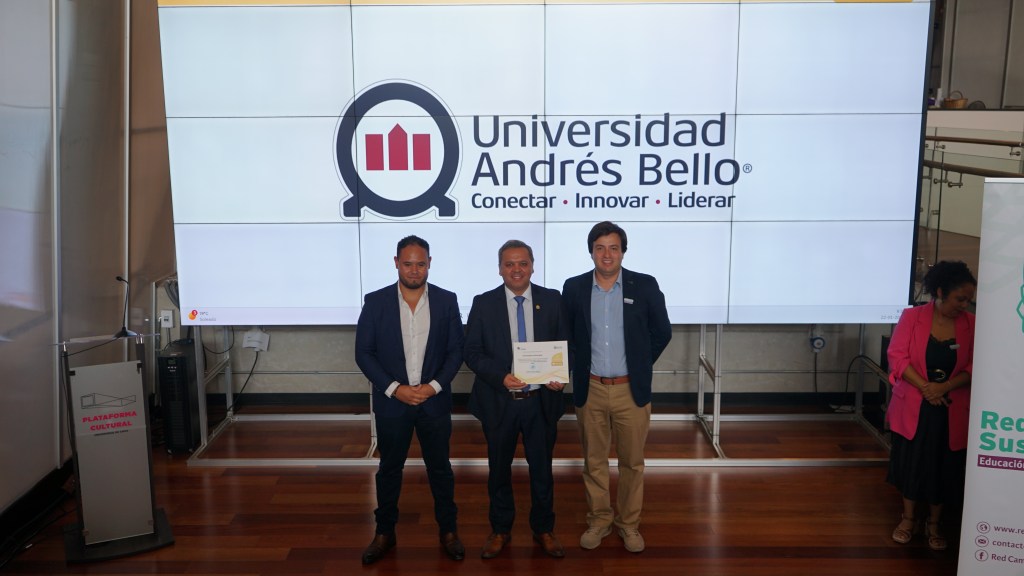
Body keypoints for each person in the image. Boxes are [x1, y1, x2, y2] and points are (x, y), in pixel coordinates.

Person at [561, 221, 672, 553]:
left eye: (613, 247)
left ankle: (628, 524)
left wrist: (639, 363)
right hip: (591, 388)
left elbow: (662, 332)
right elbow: (566, 336)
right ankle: (599, 520)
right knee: (594, 460)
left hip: (630, 390)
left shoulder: (646, 285)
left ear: (623, 251)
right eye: (600, 247)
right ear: (591, 251)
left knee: (632, 462)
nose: (606, 254)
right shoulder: (574, 287)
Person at [355, 235, 466, 565]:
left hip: (434, 402)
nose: (414, 270)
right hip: (393, 403)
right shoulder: (375, 302)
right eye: (408, 263)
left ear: (430, 263)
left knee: (440, 470)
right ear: (396, 263)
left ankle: (448, 531)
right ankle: (384, 532)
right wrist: (395, 388)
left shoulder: (447, 301)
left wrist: (433, 386)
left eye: (421, 263)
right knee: (389, 469)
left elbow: (455, 351)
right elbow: (364, 353)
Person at [464, 240, 569, 559]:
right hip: (500, 401)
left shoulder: (552, 300)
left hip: (541, 402)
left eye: (522, 263)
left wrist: (560, 376)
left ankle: (543, 529)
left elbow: (566, 345)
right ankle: (500, 529)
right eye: (509, 264)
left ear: (533, 265)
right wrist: (500, 376)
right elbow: (472, 353)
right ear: (499, 269)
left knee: (542, 469)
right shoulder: (483, 303)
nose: (516, 269)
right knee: (498, 470)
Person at [886, 260, 976, 551]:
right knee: (913, 463)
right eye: (959, 299)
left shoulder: (972, 324)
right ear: (940, 292)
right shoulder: (912, 317)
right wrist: (927, 388)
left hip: (951, 406)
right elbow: (897, 356)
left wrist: (944, 387)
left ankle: (934, 524)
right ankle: (908, 519)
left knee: (944, 466)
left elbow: (975, 365)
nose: (964, 305)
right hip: (914, 403)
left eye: (968, 300)